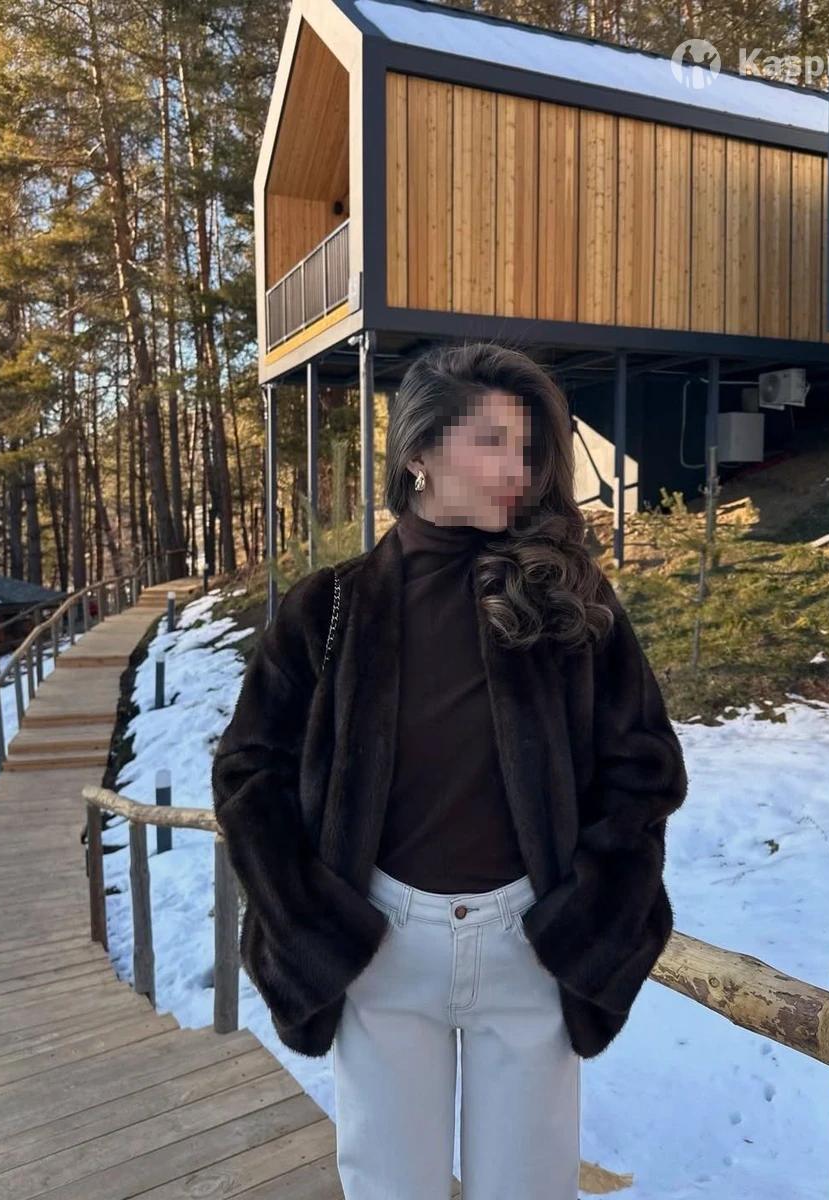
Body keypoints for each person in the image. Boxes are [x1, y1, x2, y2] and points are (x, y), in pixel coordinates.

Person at [212, 339, 689, 1200]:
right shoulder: (328, 608)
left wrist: (586, 912)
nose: (519, 470)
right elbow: (250, 773)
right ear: (419, 454)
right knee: (391, 1187)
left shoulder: (567, 595)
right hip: (380, 950)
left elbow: (643, 767)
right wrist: (315, 920)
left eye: (528, 447)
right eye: (491, 441)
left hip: (529, 945)